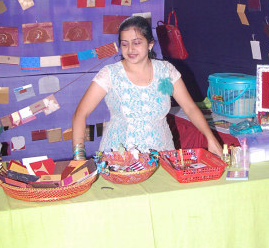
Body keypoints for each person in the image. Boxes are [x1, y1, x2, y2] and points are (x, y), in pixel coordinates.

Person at [71, 16, 223, 159]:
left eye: (137, 43)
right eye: (125, 44)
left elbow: (190, 108)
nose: (130, 49)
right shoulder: (110, 74)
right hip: (119, 159)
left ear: (150, 44)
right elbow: (80, 113)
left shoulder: (166, 71)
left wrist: (210, 138)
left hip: (161, 155)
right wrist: (79, 157)